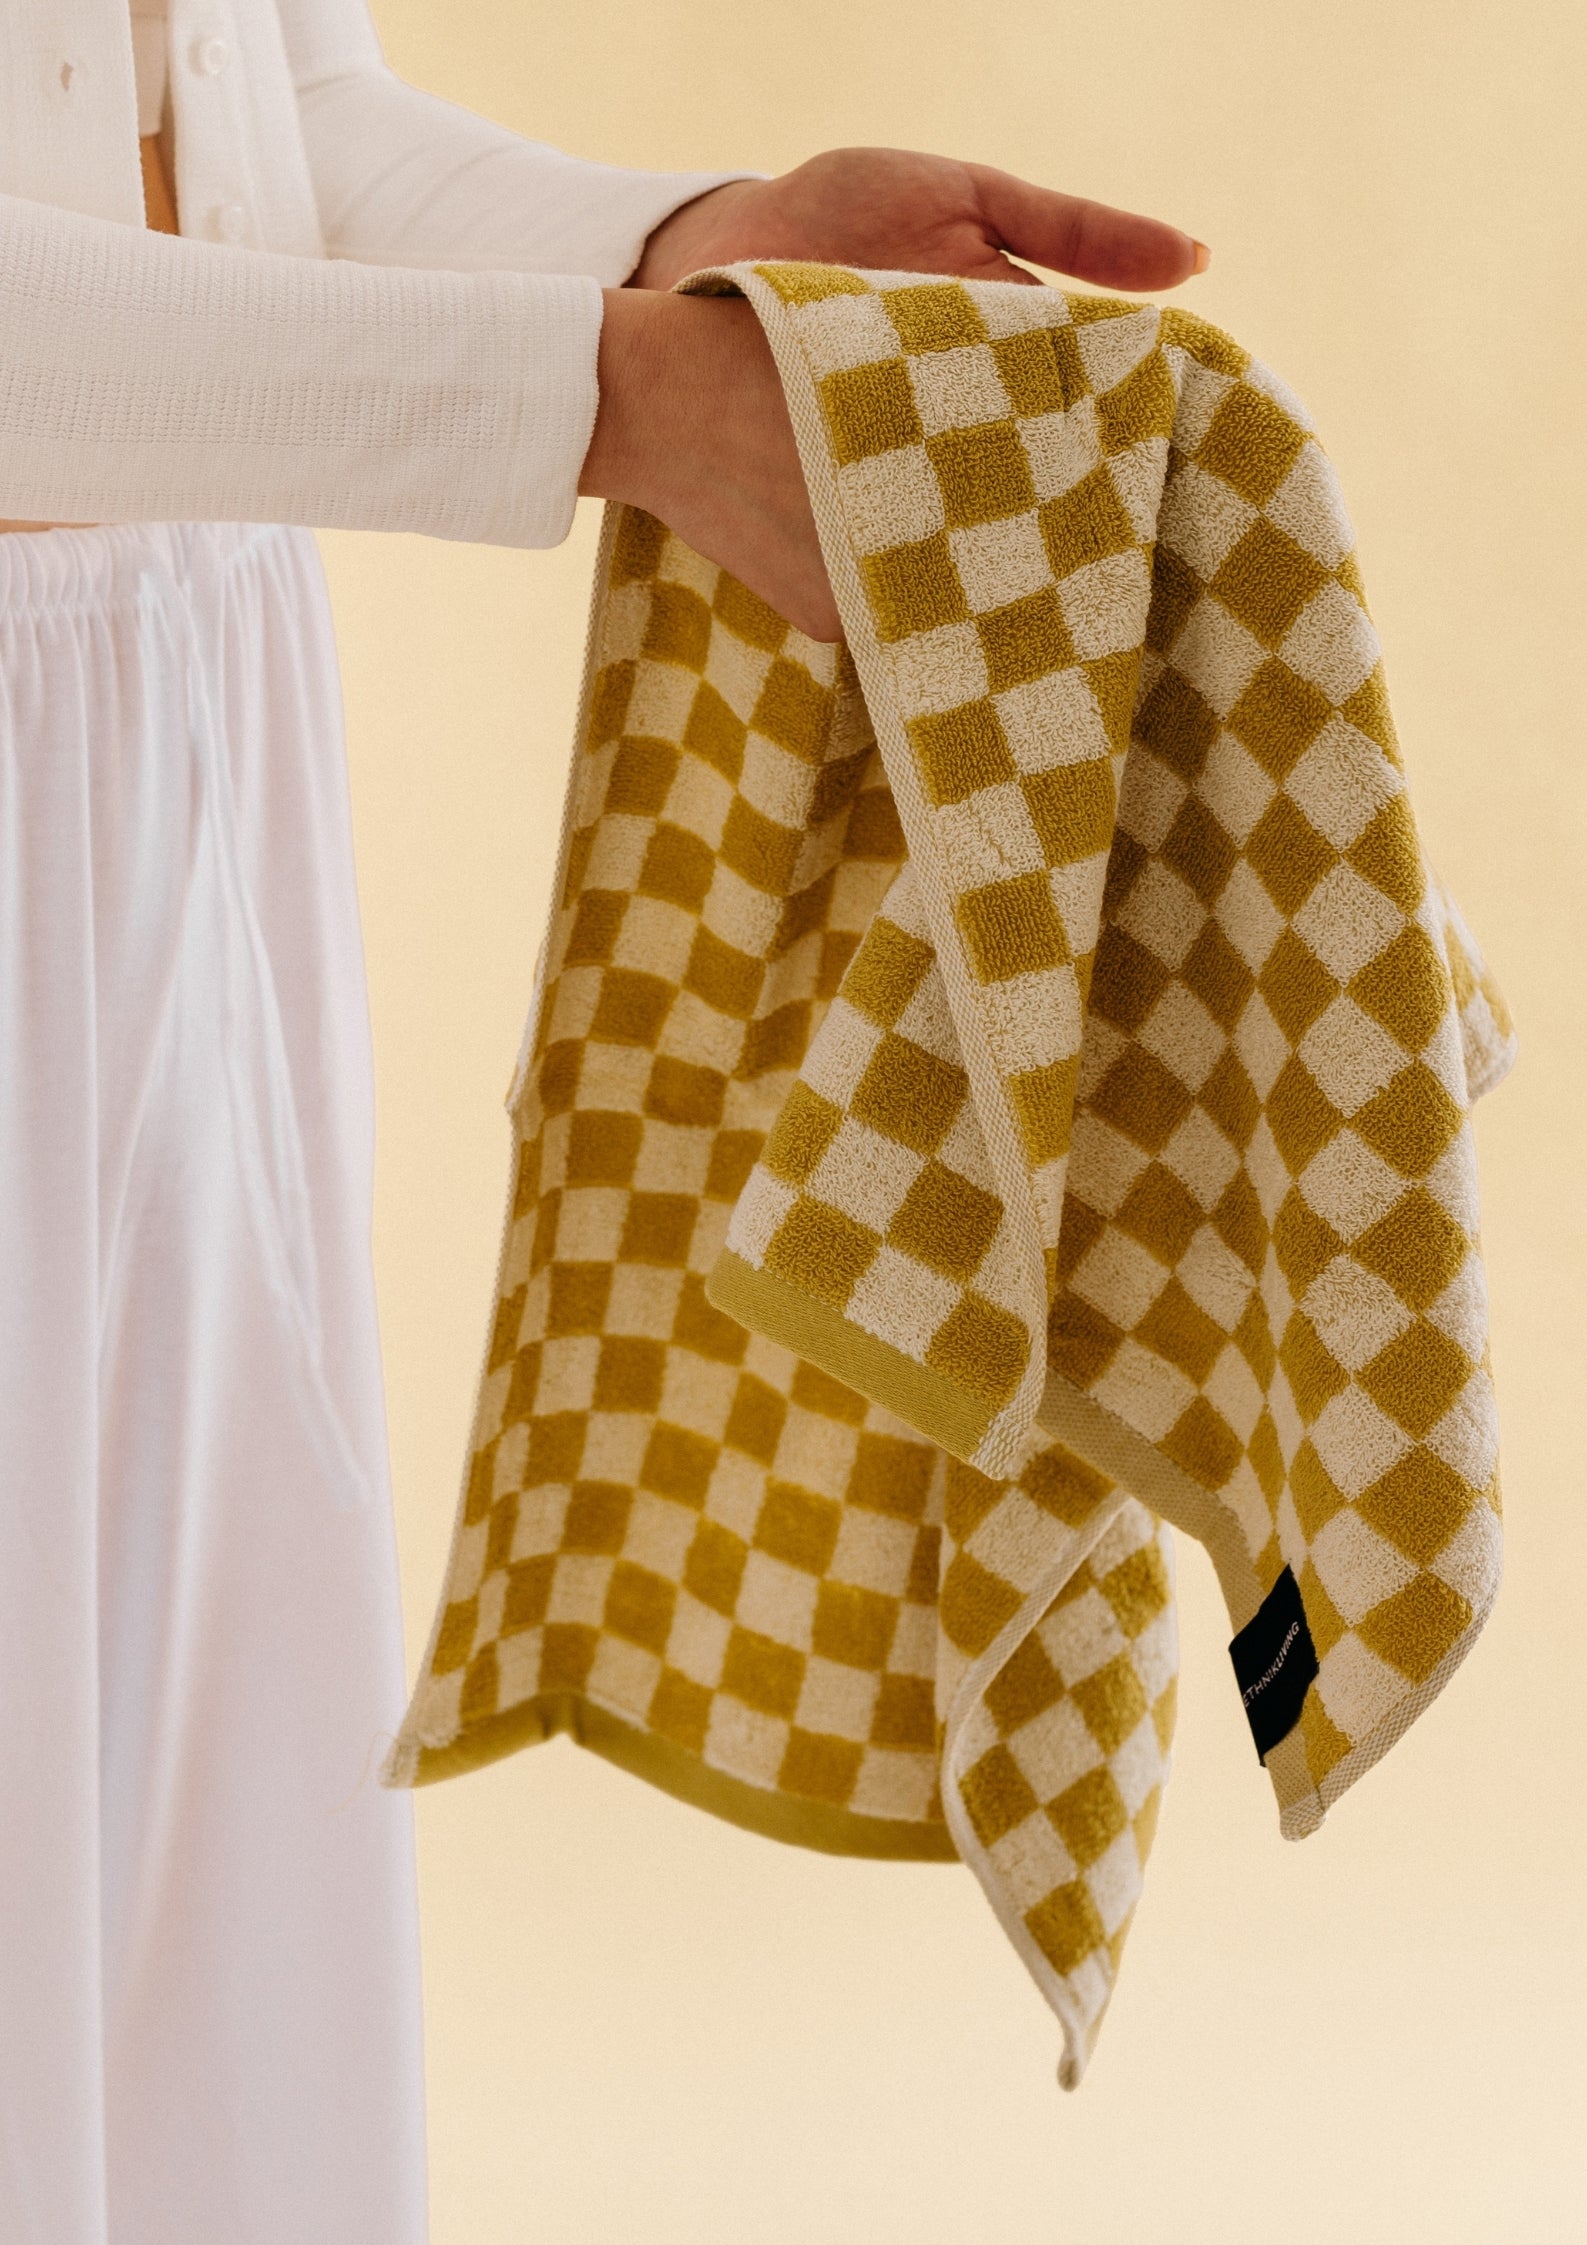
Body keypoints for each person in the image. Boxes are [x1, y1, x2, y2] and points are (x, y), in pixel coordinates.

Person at [0, 2, 1204, 2238]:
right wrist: (606, 392)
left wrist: (686, 253)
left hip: (183, 690)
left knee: (204, 1841)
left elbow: (277, 116)